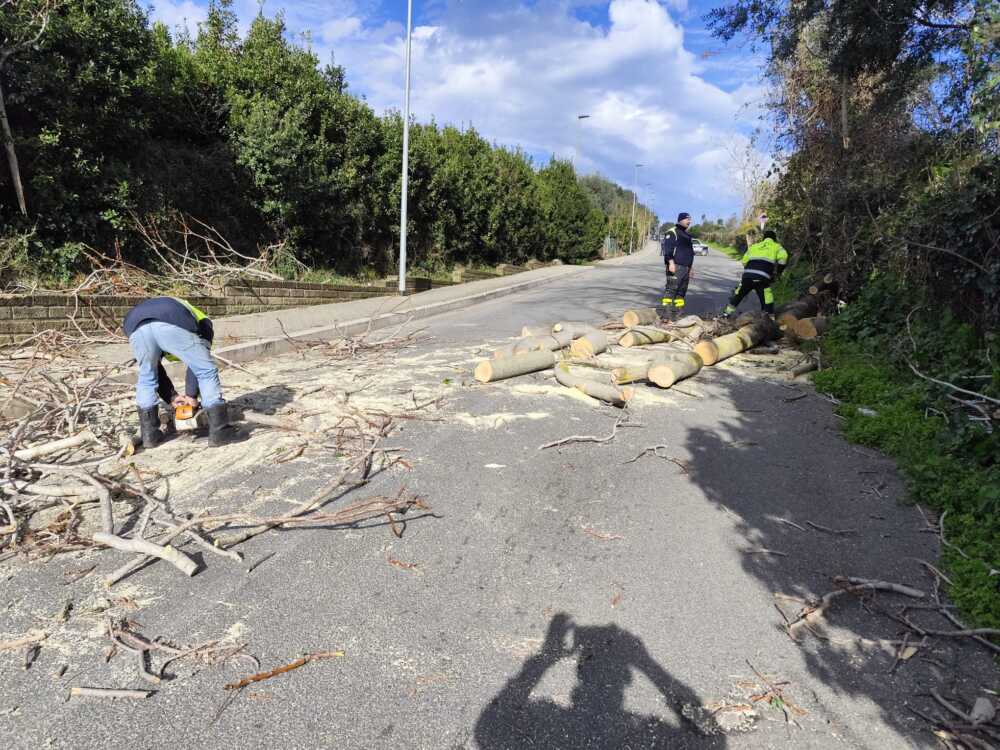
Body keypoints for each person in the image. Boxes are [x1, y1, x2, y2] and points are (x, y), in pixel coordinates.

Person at [123, 297, 243, 448]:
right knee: (206, 370)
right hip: (171, 319)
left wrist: (173, 397)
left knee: (147, 376)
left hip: (134, 325)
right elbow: (199, 365)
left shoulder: (156, 310)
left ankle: (150, 435)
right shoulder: (204, 322)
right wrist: (191, 396)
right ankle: (220, 431)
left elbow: (156, 370)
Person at [723, 229, 789, 315]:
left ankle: (725, 314)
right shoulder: (777, 247)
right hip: (762, 278)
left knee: (738, 295)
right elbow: (783, 259)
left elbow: (744, 261)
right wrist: (778, 273)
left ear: (763, 238)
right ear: (774, 239)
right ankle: (769, 318)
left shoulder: (754, 246)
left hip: (747, 277)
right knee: (767, 299)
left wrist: (751, 272)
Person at [660, 212, 696, 317]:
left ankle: (678, 314)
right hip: (675, 266)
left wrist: (690, 268)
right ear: (680, 220)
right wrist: (671, 263)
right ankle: (666, 316)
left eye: (690, 219)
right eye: (687, 219)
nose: (689, 221)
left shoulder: (687, 235)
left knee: (681, 292)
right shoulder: (672, 232)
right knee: (671, 290)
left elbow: (690, 253)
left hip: (686, 268)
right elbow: (668, 249)